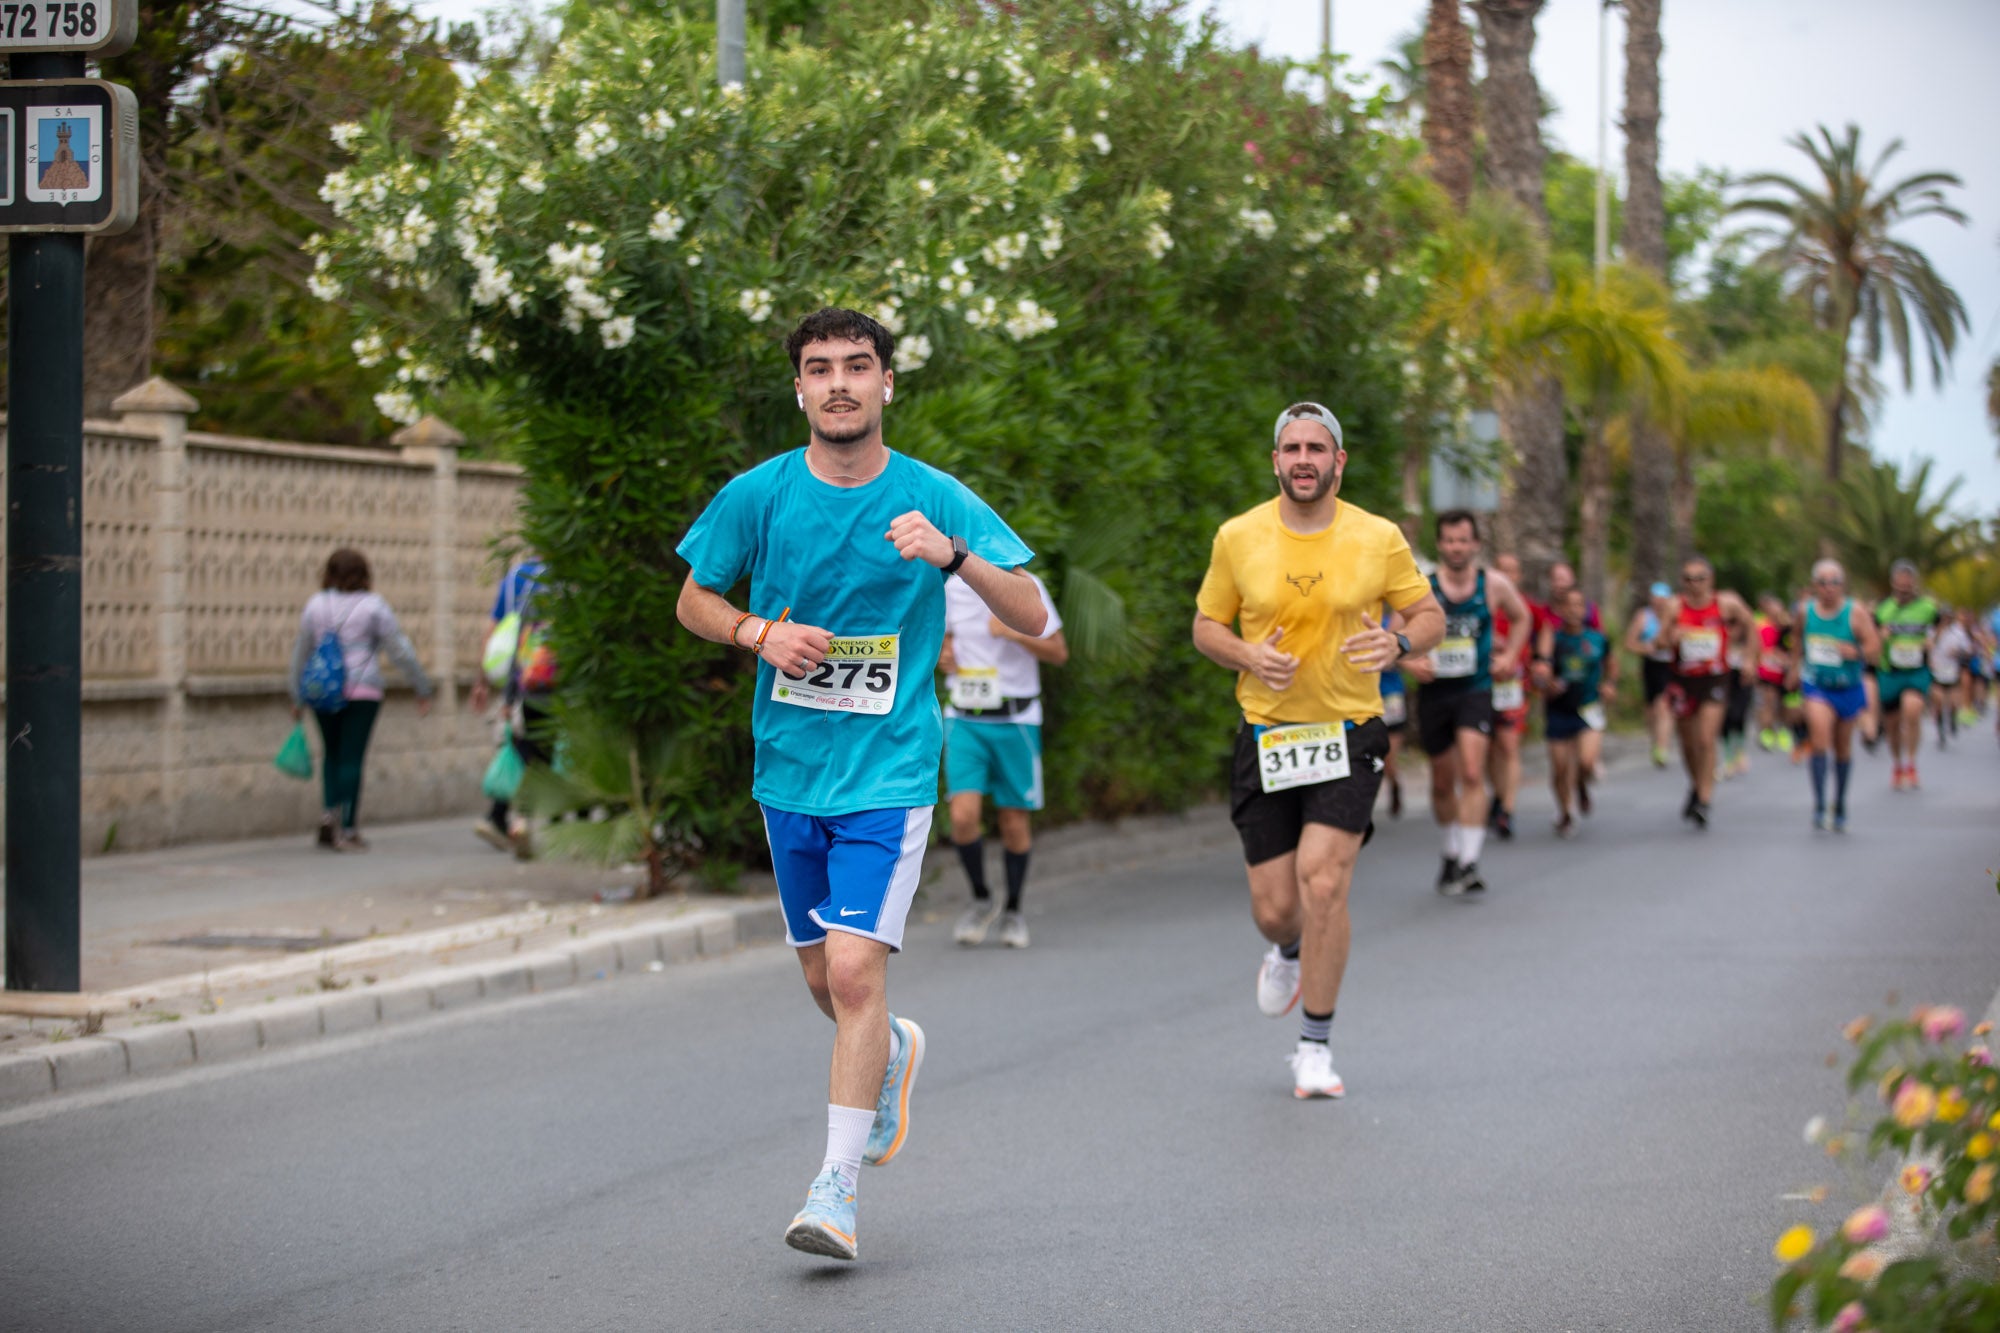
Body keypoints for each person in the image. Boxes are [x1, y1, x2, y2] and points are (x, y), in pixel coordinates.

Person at [674, 308, 1047, 1262]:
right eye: (818, 368)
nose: (839, 382)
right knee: (823, 979)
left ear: (888, 382)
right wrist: (758, 633)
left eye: (857, 365)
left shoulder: (932, 496)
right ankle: (891, 1052)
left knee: (851, 971)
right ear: (798, 389)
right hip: (790, 769)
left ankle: (834, 1188)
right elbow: (693, 597)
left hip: (891, 770)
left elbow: (1036, 610)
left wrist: (955, 557)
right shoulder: (758, 495)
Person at [1193, 401, 1442, 1099]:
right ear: (1276, 461)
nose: (1304, 459)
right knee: (1277, 906)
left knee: (1323, 882)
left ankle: (1315, 1046)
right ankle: (1288, 947)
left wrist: (1398, 641)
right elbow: (1205, 625)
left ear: (1339, 461)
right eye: (1292, 448)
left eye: (1317, 448)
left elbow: (1430, 614)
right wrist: (1245, 651)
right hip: (1268, 735)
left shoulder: (1378, 536)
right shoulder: (1239, 536)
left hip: (1349, 732)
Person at [939, 569, 1067, 949]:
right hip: (964, 717)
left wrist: (1015, 631)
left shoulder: (1026, 586)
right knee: (962, 816)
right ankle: (981, 899)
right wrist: (943, 655)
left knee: (1013, 822)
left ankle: (1013, 910)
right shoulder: (952, 588)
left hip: (1017, 720)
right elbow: (941, 643)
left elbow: (1058, 652)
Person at [1404, 511, 1529, 895]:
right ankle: (1450, 851)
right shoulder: (1422, 587)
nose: (1457, 547)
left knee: (1472, 772)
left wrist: (1510, 659)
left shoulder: (1492, 584)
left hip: (1475, 689)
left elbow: (1522, 617)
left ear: (1476, 544)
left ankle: (1471, 862)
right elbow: (1393, 630)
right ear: (1440, 544)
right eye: (1450, 541)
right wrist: (1409, 660)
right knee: (1442, 781)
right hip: (1435, 692)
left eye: (1463, 540)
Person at [288, 548, 434, 851]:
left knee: (331, 753)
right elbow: (400, 650)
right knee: (352, 756)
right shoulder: (373, 607)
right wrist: (421, 685)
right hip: (361, 690)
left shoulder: (315, 605)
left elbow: (301, 651)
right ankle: (348, 827)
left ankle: (329, 814)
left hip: (322, 690)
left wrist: (296, 694)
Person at [1655, 555, 1756, 829]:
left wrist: (1749, 659)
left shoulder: (1726, 604)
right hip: (1683, 680)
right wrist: (1671, 637)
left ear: (1710, 580)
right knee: (1688, 743)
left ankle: (1704, 799)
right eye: (1688, 579)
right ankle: (1696, 784)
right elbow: (1659, 642)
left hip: (1714, 679)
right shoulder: (1675, 606)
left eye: (1700, 578)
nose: (1694, 584)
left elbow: (1751, 625)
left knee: (1705, 738)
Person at [469, 550, 549, 854]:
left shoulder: (517, 577)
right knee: (541, 753)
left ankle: (501, 816)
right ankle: (519, 821)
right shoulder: (570, 578)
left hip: (525, 679)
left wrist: (484, 681)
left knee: (521, 745)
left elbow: (496, 632)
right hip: (561, 682)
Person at [1791, 560, 1878, 832]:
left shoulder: (1856, 613)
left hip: (1848, 687)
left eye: (1834, 582)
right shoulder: (1806, 613)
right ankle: (1819, 803)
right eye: (1823, 582)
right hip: (1817, 685)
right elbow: (1796, 640)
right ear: (1814, 586)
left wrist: (1857, 653)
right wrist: (1794, 667)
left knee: (1842, 748)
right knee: (1819, 740)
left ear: (1842, 585)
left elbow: (1875, 647)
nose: (1828, 588)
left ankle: (1839, 802)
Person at [1535, 586, 1617, 838]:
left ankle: (1581, 785)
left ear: (1586, 610)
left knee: (1586, 762)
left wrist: (1609, 685)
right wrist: (1545, 680)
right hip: (1559, 710)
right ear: (1560, 609)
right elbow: (1540, 670)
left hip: (1588, 708)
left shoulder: (1597, 639)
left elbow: (1611, 665)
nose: (1573, 610)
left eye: (1579, 605)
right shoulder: (1553, 638)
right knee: (1559, 768)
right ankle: (1565, 812)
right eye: (1568, 605)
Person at [1874, 560, 1939, 790]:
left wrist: (1931, 642)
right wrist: (1880, 638)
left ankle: (1911, 762)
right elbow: (1871, 638)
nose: (1903, 591)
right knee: (1892, 725)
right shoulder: (1883, 610)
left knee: (1912, 710)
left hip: (1916, 670)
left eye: (1908, 586)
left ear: (1914, 584)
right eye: (1899, 587)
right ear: (1893, 584)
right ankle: (1897, 764)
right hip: (1890, 671)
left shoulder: (1928, 608)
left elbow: (1937, 628)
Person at [1484, 553, 1530, 839]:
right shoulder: (1482, 602)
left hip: (1512, 684)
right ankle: (1499, 796)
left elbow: (1543, 637)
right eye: (1501, 570)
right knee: (1488, 747)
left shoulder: (1526, 608)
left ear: (1519, 576)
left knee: (1509, 744)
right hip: (1481, 682)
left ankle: (1507, 811)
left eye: (1511, 571)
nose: (1506, 576)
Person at [1622, 581, 1677, 767]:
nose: (1660, 604)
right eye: (1656, 600)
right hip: (1651, 665)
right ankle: (1656, 741)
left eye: (1663, 600)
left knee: (1664, 705)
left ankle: (1662, 747)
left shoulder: (1675, 617)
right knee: (1651, 710)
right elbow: (1629, 643)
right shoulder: (1644, 616)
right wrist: (1645, 648)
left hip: (1670, 666)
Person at [1754, 594, 1795, 754]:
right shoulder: (1762, 627)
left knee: (1786, 705)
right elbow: (1763, 650)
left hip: (1785, 673)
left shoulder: (1788, 627)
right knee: (1768, 702)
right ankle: (1767, 733)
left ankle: (1784, 731)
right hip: (1768, 672)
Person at [1929, 605, 1973, 746]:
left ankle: (1952, 719)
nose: (1945, 620)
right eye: (1943, 618)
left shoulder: (1958, 633)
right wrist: (1938, 633)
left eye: (1947, 618)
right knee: (1939, 702)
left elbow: (1968, 650)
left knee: (1954, 703)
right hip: (1937, 671)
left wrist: (1958, 653)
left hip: (1952, 671)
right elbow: (1927, 647)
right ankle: (1940, 729)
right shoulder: (1931, 631)